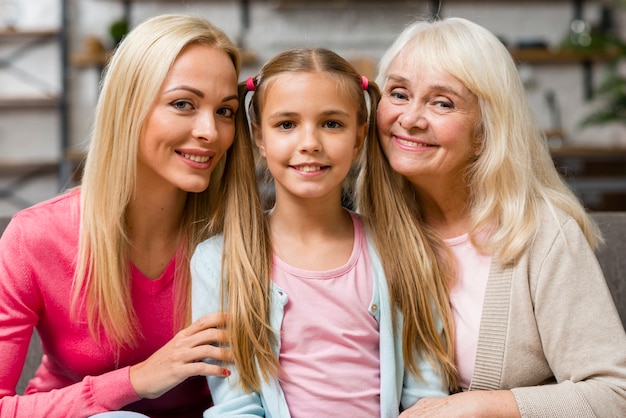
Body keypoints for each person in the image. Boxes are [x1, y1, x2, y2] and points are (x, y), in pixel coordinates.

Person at [357, 16, 626, 417]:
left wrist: (485, 406)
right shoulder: (363, 228)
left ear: (486, 127)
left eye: (442, 102)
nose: (410, 118)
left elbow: (615, 393)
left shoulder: (542, 235)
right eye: (398, 94)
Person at [0, 13, 262, 417]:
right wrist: (138, 379)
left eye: (225, 111)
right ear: (128, 107)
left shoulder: (241, 235)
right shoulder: (35, 238)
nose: (211, 132)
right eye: (183, 104)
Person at [191, 47, 457, 417]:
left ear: (359, 137)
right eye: (286, 124)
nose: (310, 143)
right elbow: (236, 404)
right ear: (259, 138)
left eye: (332, 123)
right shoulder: (218, 261)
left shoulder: (403, 250)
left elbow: (427, 397)